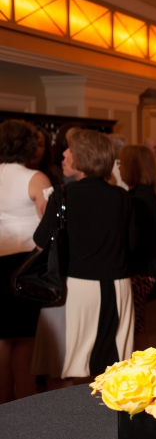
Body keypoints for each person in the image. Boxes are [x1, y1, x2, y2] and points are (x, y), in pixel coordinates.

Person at [32, 129, 135, 388]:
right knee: (111, 365)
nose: (63, 154)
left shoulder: (62, 196)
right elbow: (132, 245)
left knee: (67, 363)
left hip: (74, 287)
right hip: (117, 287)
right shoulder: (122, 197)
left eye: (70, 150)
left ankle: (68, 423)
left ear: (85, 156)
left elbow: (40, 241)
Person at [0, 120, 52, 403]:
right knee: (25, 340)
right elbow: (52, 228)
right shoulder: (35, 178)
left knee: (2, 340)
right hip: (25, 265)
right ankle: (25, 405)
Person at [119, 145, 156, 351]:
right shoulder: (147, 194)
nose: (118, 168)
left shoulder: (135, 198)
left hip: (140, 269)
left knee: (136, 326)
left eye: (121, 164)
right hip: (149, 267)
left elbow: (134, 241)